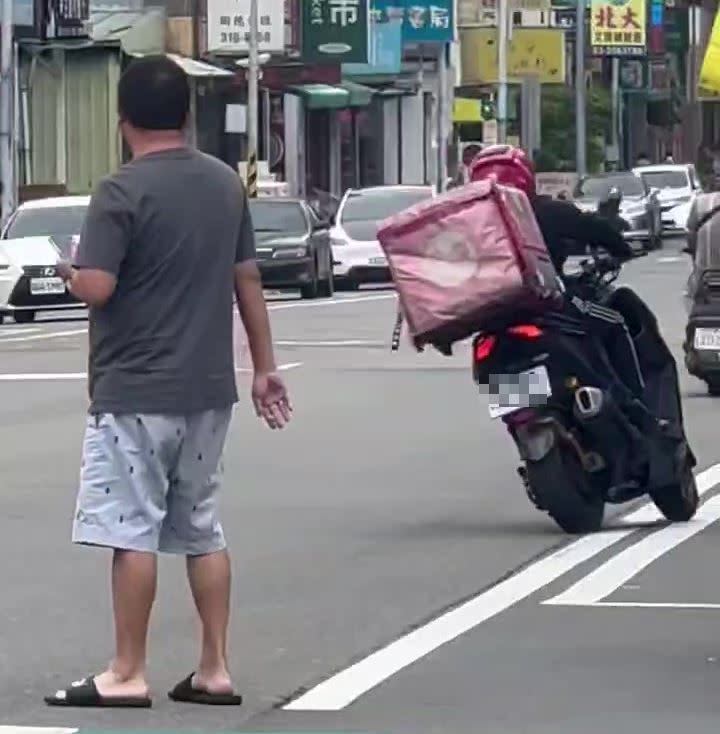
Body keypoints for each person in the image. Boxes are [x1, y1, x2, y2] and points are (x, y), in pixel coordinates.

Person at [44, 55, 291, 709]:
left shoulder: (119, 192)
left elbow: (99, 286)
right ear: (187, 114)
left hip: (135, 389)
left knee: (132, 531)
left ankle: (127, 671)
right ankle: (215, 667)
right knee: (201, 525)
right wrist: (265, 369)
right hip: (209, 389)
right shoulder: (223, 186)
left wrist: (71, 272)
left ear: (121, 119)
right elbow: (248, 281)